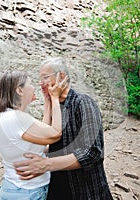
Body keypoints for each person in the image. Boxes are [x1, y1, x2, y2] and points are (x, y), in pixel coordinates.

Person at [14, 57, 113, 200]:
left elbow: (93, 152)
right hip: (56, 188)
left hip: (85, 191)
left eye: (45, 77)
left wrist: (46, 164)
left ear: (61, 76)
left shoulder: (83, 102)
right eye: (40, 79)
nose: (41, 83)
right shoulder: (54, 106)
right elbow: (48, 142)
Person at [0, 70, 68, 200]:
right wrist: (55, 98)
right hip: (27, 192)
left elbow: (43, 137)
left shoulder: (10, 116)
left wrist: (47, 100)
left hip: (15, 188)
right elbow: (55, 133)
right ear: (20, 90)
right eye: (30, 83)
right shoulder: (17, 118)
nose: (34, 87)